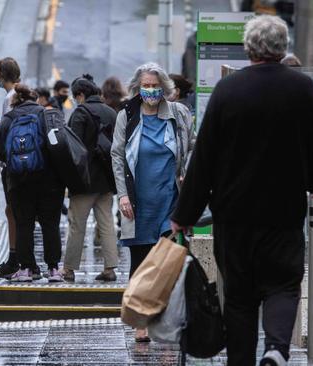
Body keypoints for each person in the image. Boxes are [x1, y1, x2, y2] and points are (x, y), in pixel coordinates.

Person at [170, 15, 313, 366]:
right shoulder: (303, 89)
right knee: (283, 284)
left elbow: (204, 161)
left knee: (239, 297)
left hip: (234, 218)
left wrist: (184, 216)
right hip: (283, 213)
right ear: (283, 48)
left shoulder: (228, 90)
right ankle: (276, 349)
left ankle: (242, 360)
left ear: (248, 48)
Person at [111, 62, 195, 342]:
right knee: (141, 262)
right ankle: (141, 320)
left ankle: (167, 319)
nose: (150, 90)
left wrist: (188, 179)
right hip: (138, 201)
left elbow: (193, 146)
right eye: (145, 85)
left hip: (169, 198)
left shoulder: (178, 114)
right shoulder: (127, 115)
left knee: (168, 260)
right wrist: (123, 194)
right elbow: (117, 155)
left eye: (154, 85)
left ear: (165, 88)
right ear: (137, 88)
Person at [0, 85, 66, 282]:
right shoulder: (46, 115)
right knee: (50, 224)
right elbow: (59, 145)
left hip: (19, 181)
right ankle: (53, 269)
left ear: (14, 101)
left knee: (24, 224)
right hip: (48, 181)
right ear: (35, 98)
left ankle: (25, 269)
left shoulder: (8, 119)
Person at [60, 74, 119, 283]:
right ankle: (110, 268)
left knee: (77, 225)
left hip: (84, 181)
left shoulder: (80, 114)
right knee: (106, 223)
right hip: (106, 180)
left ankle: (69, 269)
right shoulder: (111, 113)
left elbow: (73, 149)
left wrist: (69, 180)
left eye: (76, 97)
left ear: (81, 95)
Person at [0, 57, 25, 279]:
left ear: (2, 75)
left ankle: (15, 259)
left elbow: (10, 130)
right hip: (26, 162)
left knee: (13, 212)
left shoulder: (10, 98)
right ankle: (19, 259)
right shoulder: (23, 92)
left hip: (13, 163)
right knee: (17, 212)